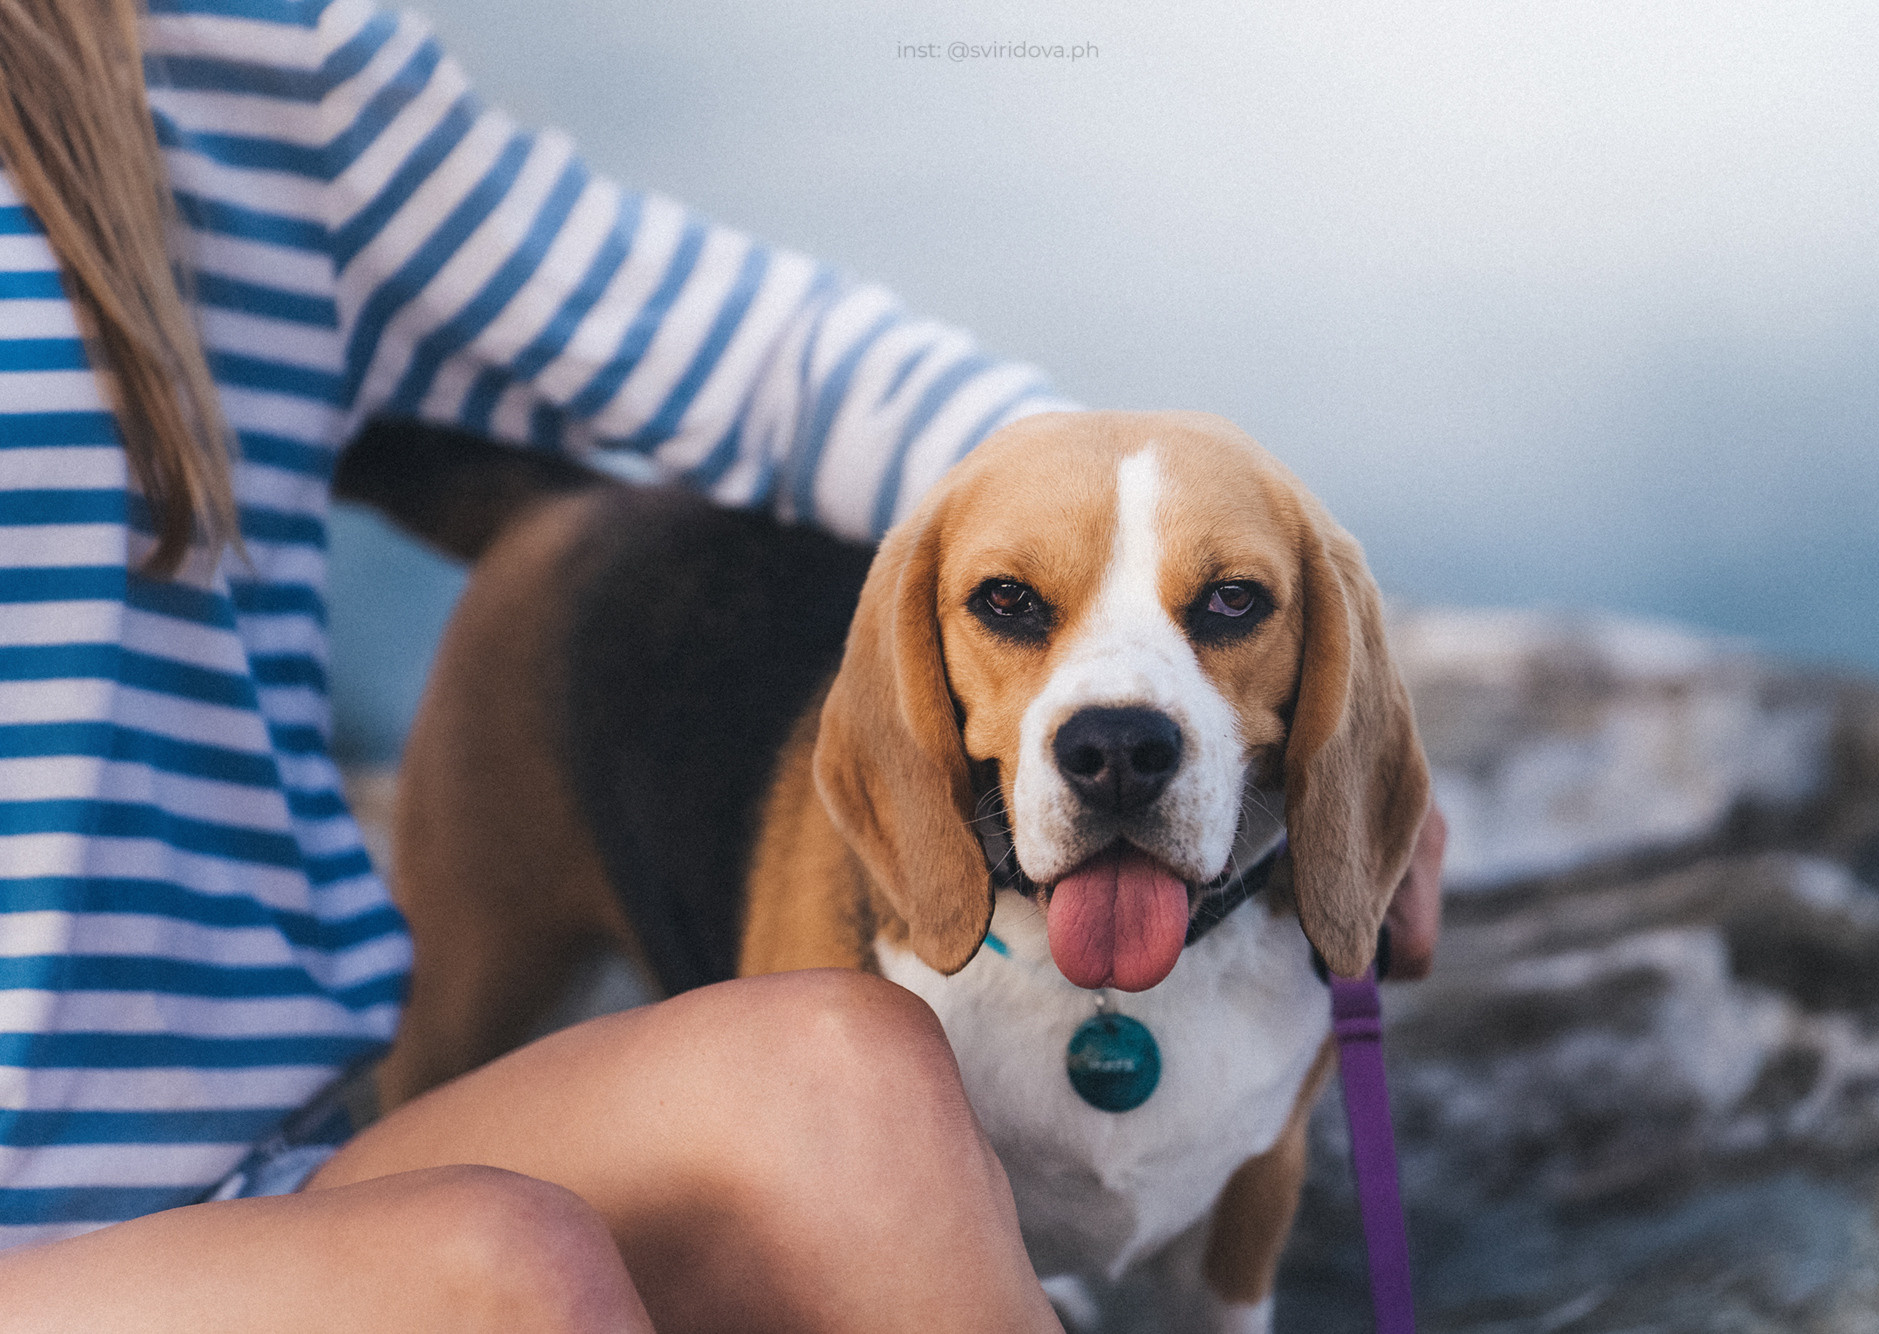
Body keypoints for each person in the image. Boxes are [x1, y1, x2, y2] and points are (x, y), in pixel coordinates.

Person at [0, 0, 1446, 1327]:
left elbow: (772, 362)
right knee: (504, 1276)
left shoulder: (236, 48)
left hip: (291, 1158)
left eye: (1231, 611)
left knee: (857, 1074)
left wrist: (1192, 596)